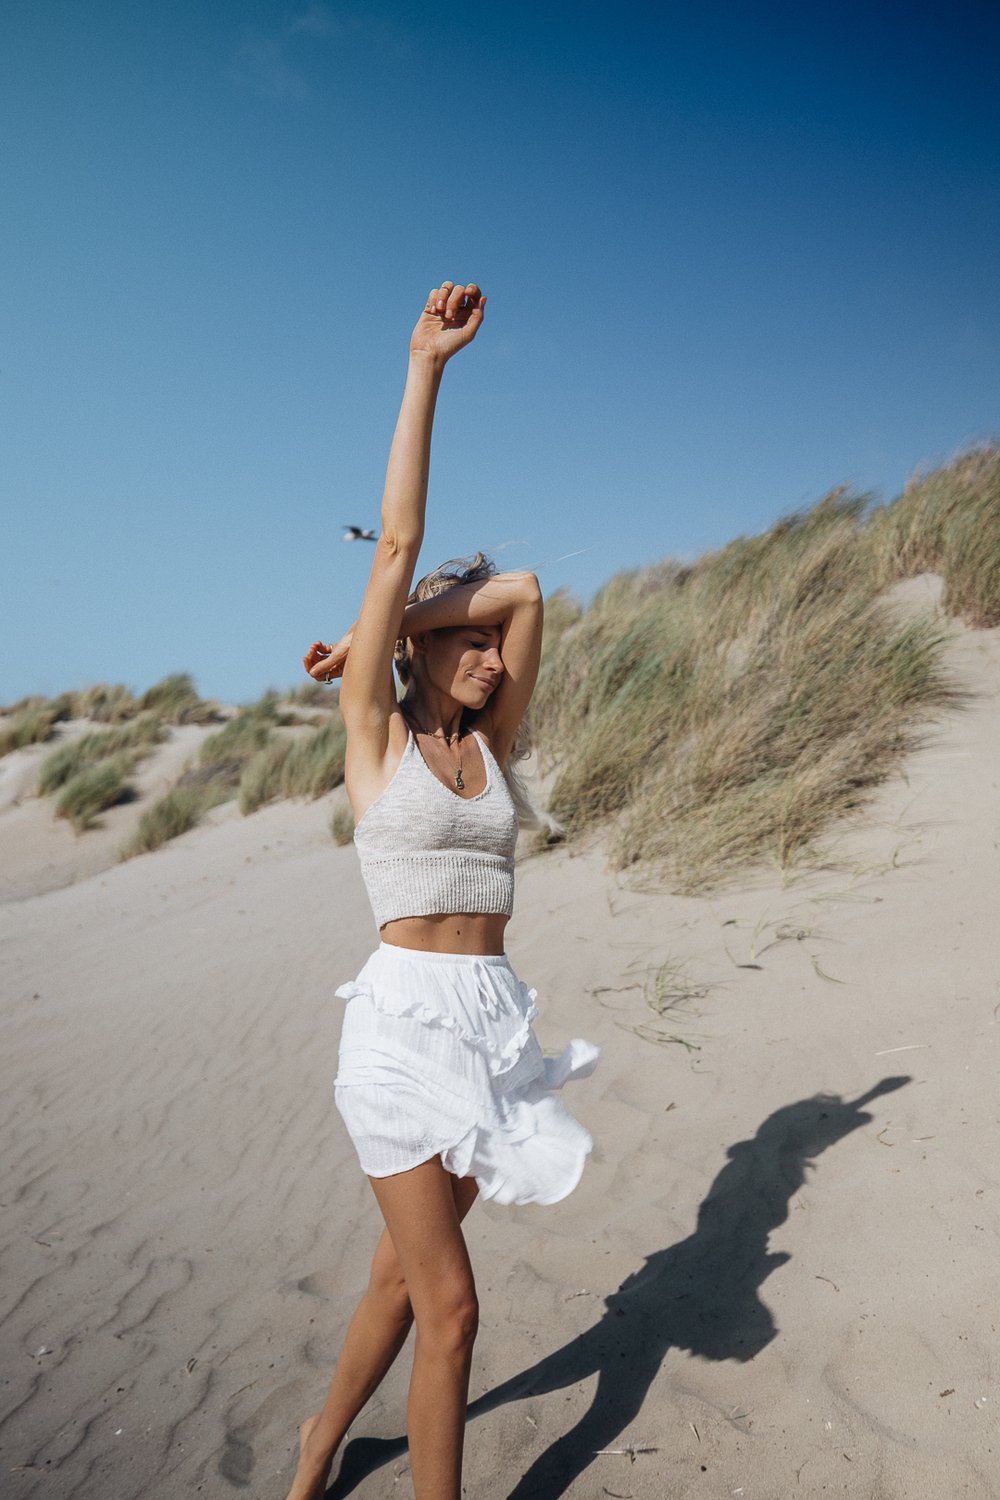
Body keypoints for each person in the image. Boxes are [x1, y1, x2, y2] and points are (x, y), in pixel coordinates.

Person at [288, 280, 599, 1500]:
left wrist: (416, 621)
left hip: (490, 1019)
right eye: (457, 646)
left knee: (399, 1280)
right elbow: (403, 541)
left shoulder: (491, 747)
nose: (485, 656)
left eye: (483, 650)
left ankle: (320, 1443)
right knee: (454, 1307)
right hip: (402, 1023)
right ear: (406, 659)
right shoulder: (374, 735)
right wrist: (427, 366)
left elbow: (521, 587)